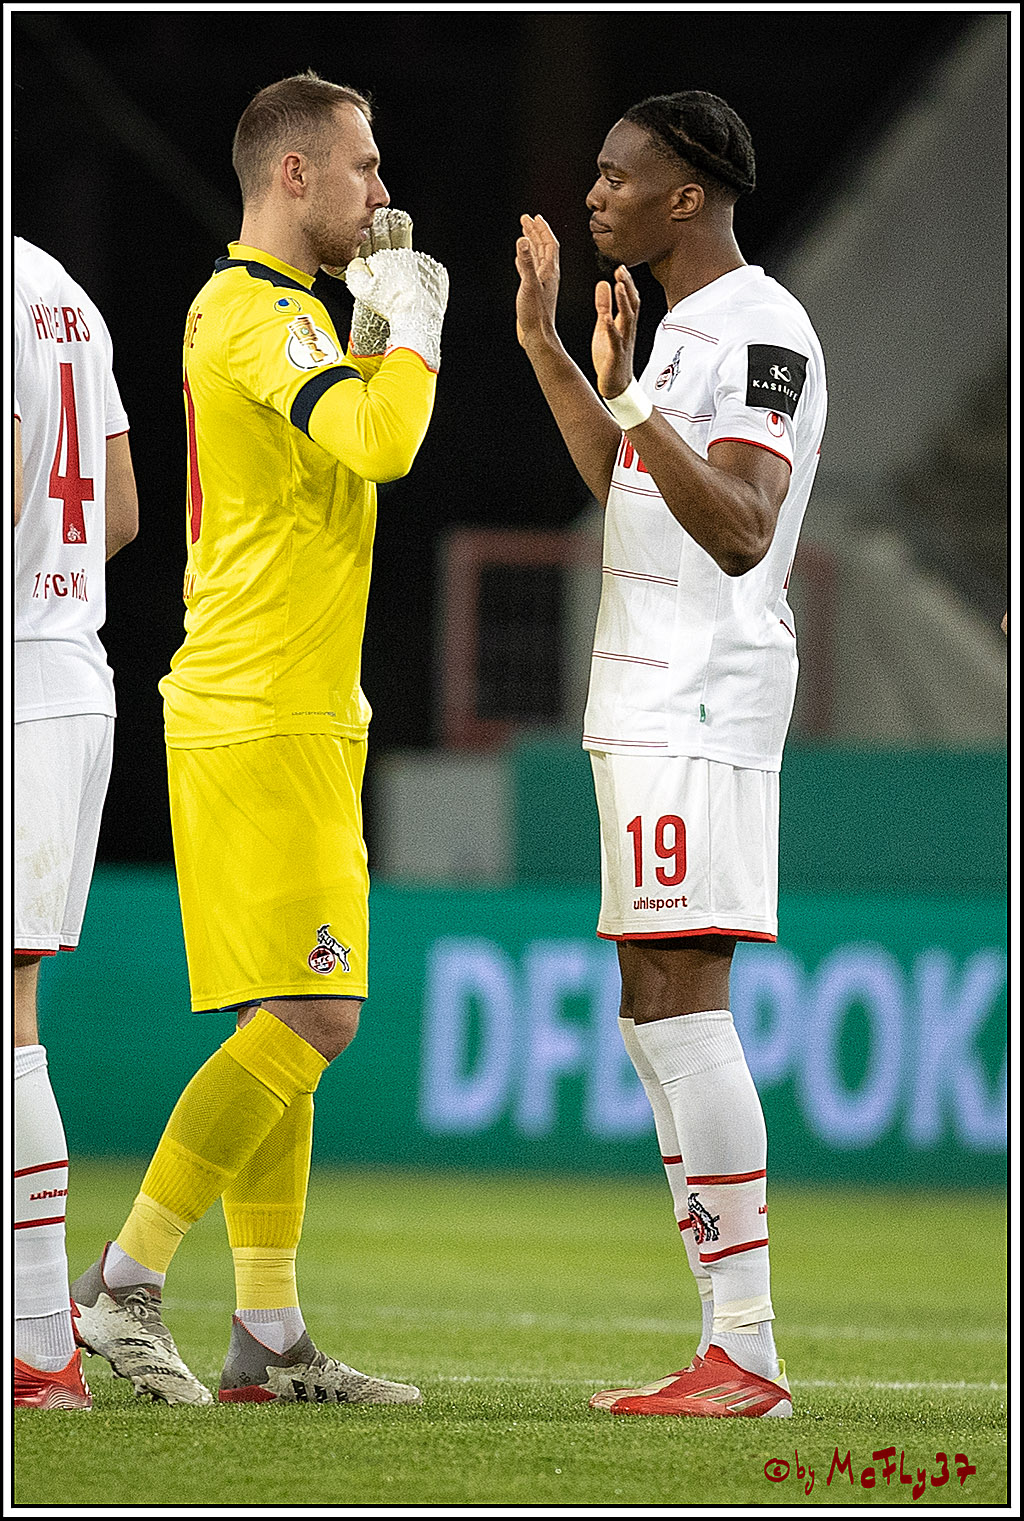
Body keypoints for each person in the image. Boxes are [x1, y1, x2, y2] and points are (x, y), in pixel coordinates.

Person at [71, 71, 449, 1406]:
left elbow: (335, 463)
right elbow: (379, 442)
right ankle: (123, 1279)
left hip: (301, 709)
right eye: (364, 168)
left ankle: (269, 1336)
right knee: (316, 1010)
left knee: (285, 1016)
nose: (381, 192)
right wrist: (414, 330)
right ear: (293, 178)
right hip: (255, 707)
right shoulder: (245, 314)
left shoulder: (289, 316)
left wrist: (366, 325)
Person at [516, 91, 826, 1418]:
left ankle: (746, 1352)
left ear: (686, 194)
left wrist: (638, 391)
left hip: (701, 699)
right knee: (653, 1009)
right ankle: (723, 1342)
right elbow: (628, 479)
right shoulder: (683, 330)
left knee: (684, 1003)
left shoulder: (762, 330)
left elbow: (746, 525)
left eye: (616, 174)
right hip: (643, 700)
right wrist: (551, 350)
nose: (595, 194)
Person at [14, 236, 139, 1409]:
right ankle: (39, 1340)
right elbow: (118, 508)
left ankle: (40, 1348)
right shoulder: (63, 289)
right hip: (68, 668)